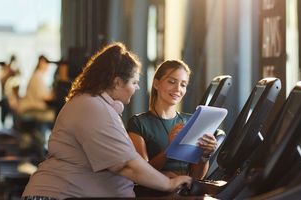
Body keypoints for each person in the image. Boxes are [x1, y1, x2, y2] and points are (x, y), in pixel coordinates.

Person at [21, 43, 191, 199]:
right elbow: (126, 164)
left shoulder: (98, 106)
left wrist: (161, 178)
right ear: (117, 82)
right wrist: (168, 183)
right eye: (134, 82)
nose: (137, 88)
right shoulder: (91, 107)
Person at [126, 60, 218, 196]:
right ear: (156, 83)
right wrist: (170, 149)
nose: (178, 89)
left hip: (185, 193)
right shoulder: (138, 123)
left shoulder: (190, 121)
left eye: (183, 84)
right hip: (154, 194)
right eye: (172, 82)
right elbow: (141, 173)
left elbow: (197, 176)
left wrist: (205, 155)